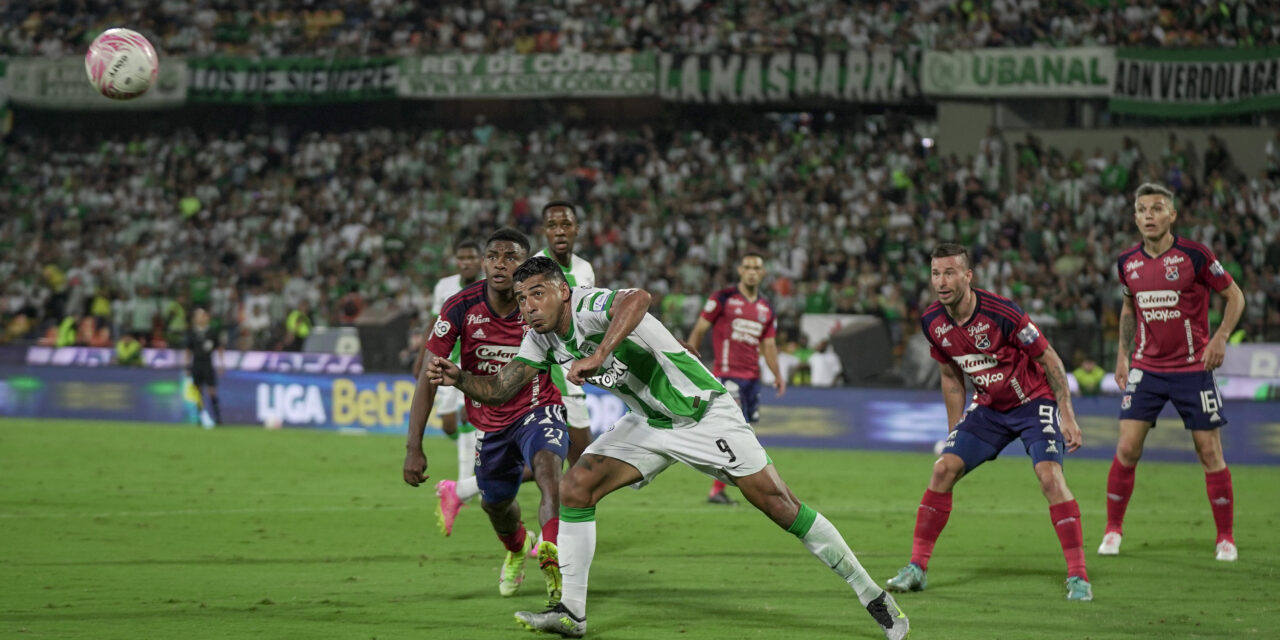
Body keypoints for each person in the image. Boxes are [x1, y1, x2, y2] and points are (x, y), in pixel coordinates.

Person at [426, 256, 909, 639]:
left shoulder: (590, 305)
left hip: (703, 414)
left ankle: (872, 596)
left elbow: (638, 298)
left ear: (563, 292)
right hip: (650, 423)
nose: (528, 306)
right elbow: (503, 387)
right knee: (577, 487)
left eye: (538, 293)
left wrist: (599, 354)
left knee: (780, 505)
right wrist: (461, 378)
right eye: (522, 297)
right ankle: (571, 612)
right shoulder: (540, 337)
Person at [886, 243, 1093, 602]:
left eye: (949, 272)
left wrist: (1067, 415)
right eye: (936, 273)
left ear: (968, 276)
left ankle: (1078, 576)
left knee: (1050, 477)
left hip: (1032, 403)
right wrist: (955, 432)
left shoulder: (1003, 313)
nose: (942, 281)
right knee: (942, 469)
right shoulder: (933, 321)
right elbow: (951, 377)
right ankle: (917, 568)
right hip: (989, 409)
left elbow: (1050, 359)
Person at [403, 229, 566, 606]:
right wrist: (414, 446)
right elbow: (428, 376)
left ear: (525, 264)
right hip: (491, 421)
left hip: (538, 405)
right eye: (493, 256)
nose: (500, 264)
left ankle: (553, 556)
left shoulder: (538, 304)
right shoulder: (460, 306)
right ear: (483, 262)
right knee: (495, 504)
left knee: (548, 469)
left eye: (511, 257)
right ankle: (517, 548)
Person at [1101, 183, 1246, 562]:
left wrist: (1221, 337)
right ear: (1134, 217)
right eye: (1142, 209)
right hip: (1147, 368)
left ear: (1172, 216)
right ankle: (1113, 531)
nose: (1149, 215)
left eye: (1157, 208)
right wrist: (1122, 355)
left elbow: (1235, 296)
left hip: (1192, 367)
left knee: (1208, 449)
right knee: (1128, 447)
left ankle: (1225, 538)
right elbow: (1130, 309)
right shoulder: (1127, 263)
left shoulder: (1195, 256)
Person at [687, 253, 785, 505]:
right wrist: (689, 365)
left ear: (763, 273)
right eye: (748, 267)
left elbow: (769, 344)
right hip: (728, 376)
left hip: (752, 378)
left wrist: (777, 374)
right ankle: (719, 487)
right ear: (740, 270)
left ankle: (719, 487)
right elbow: (699, 329)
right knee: (735, 433)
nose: (752, 272)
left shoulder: (766, 308)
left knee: (747, 433)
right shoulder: (723, 298)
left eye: (757, 268)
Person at [418, 240, 483, 536]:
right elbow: (433, 324)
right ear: (456, 261)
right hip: (446, 363)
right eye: (462, 257)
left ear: (480, 260)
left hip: (472, 366)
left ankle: (464, 482)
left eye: (472, 257)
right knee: (448, 426)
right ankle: (475, 463)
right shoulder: (445, 287)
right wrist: (422, 358)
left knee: (467, 418)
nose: (467, 262)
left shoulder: (489, 286)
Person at [538, 201, 597, 467]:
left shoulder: (585, 269)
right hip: (551, 382)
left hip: (573, 377)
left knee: (564, 465)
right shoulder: (534, 269)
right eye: (552, 226)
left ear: (577, 229)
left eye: (566, 225)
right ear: (544, 231)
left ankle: (461, 489)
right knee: (582, 466)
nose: (560, 231)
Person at [186, 308, 223, 426]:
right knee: (198, 392)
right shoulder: (192, 333)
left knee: (212, 391)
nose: (199, 318)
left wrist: (221, 364)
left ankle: (217, 417)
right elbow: (188, 351)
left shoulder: (212, 332)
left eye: (201, 315)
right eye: (197, 316)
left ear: (206, 318)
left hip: (208, 363)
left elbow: (219, 348)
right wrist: (187, 366)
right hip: (196, 364)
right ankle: (200, 417)